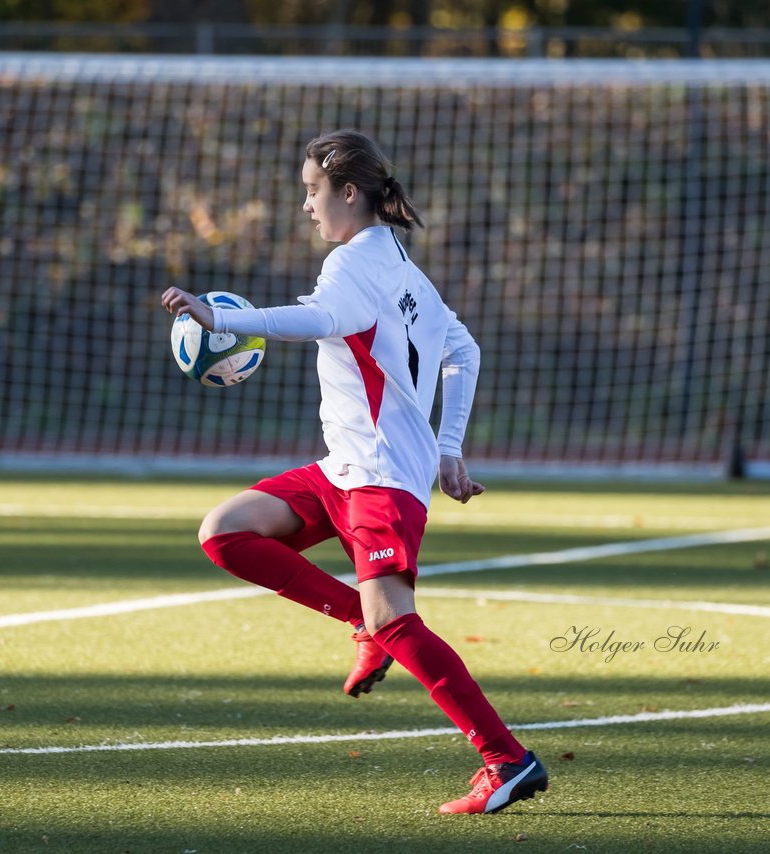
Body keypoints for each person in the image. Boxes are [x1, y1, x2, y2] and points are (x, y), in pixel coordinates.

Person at [160, 129, 547, 815]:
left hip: (379, 478)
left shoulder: (355, 268)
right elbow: (468, 352)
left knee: (399, 621)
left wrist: (221, 314)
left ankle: (507, 760)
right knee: (225, 532)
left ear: (347, 191)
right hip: (345, 470)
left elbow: (320, 319)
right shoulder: (402, 269)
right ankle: (359, 621)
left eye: (312, 190)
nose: (306, 205)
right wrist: (449, 448)